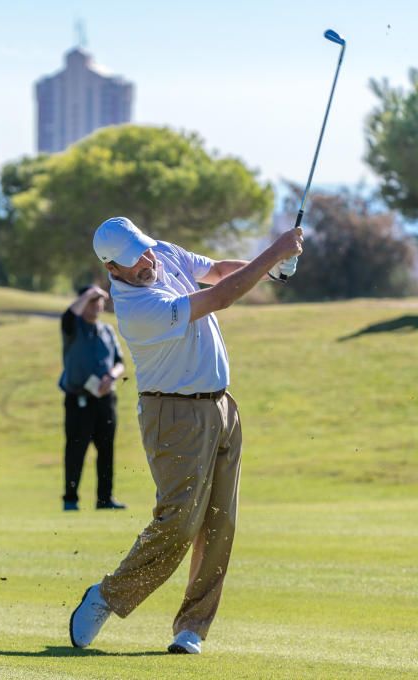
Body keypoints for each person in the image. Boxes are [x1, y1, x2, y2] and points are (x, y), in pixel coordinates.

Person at [68, 216, 302, 655]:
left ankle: (192, 627)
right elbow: (221, 296)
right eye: (130, 261)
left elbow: (215, 271)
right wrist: (276, 251)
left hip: (221, 405)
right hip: (173, 414)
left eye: (142, 249)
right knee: (179, 522)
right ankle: (107, 596)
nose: (145, 261)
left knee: (220, 523)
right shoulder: (137, 308)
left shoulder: (160, 251)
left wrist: (269, 267)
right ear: (111, 270)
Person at [59, 285, 127, 511]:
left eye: (99, 301)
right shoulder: (73, 327)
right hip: (79, 400)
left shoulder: (107, 330)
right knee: (76, 450)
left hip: (105, 400)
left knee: (106, 450)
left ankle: (105, 499)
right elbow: (68, 315)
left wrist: (111, 376)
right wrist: (89, 292)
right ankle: (71, 499)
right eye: (91, 301)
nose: (97, 304)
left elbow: (120, 362)